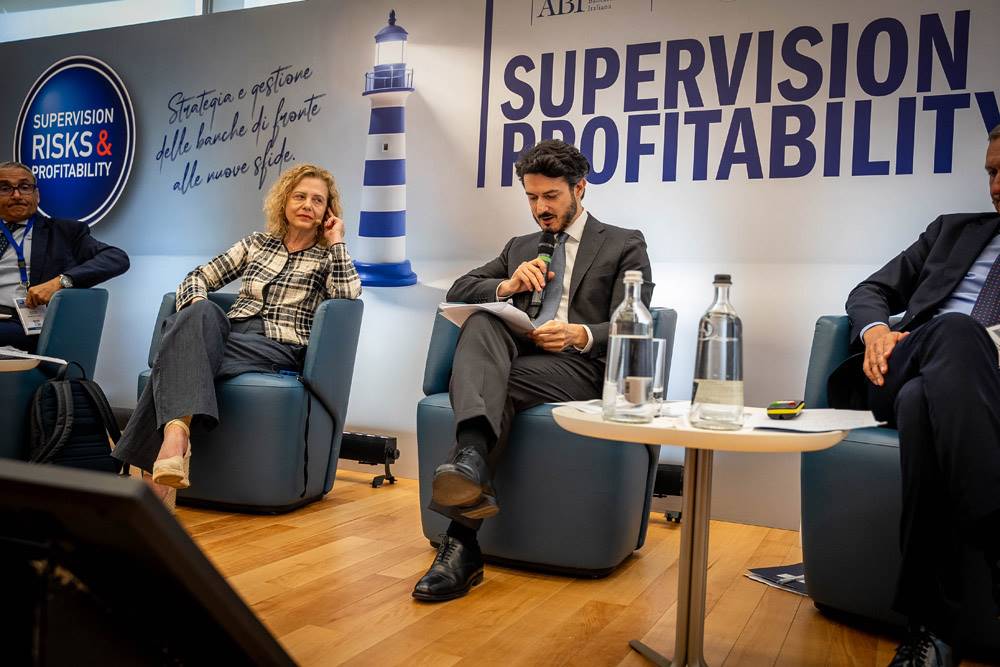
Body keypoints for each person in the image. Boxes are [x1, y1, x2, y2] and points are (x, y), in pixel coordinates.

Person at [412, 139, 654, 602]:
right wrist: (506, 285)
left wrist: (579, 334)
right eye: (532, 197)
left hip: (579, 366)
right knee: (482, 319)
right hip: (519, 361)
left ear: (579, 188)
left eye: (551, 196)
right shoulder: (519, 246)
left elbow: (637, 318)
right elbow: (461, 288)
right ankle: (469, 472)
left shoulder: (623, 243)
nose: (541, 208)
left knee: (488, 381)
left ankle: (459, 534)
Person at [829, 126, 1000, 667]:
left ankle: (930, 631)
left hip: (980, 387)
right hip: (907, 360)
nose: (996, 185)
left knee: (921, 405)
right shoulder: (953, 230)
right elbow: (870, 290)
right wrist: (877, 330)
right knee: (952, 333)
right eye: (992, 172)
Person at [112, 163, 362, 509]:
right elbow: (196, 277)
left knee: (175, 355)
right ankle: (176, 439)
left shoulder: (327, 258)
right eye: (300, 196)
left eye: (318, 200)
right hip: (230, 332)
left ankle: (159, 473)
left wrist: (337, 241)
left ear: (328, 212)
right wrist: (196, 307)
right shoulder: (256, 244)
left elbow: (348, 294)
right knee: (199, 313)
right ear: (284, 202)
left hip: (278, 345)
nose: (308, 205)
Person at [0, 161, 129, 352]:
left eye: (25, 187)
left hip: (25, 322)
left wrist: (61, 281)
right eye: (5, 189)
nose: (17, 195)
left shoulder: (64, 232)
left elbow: (116, 258)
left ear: (37, 195)